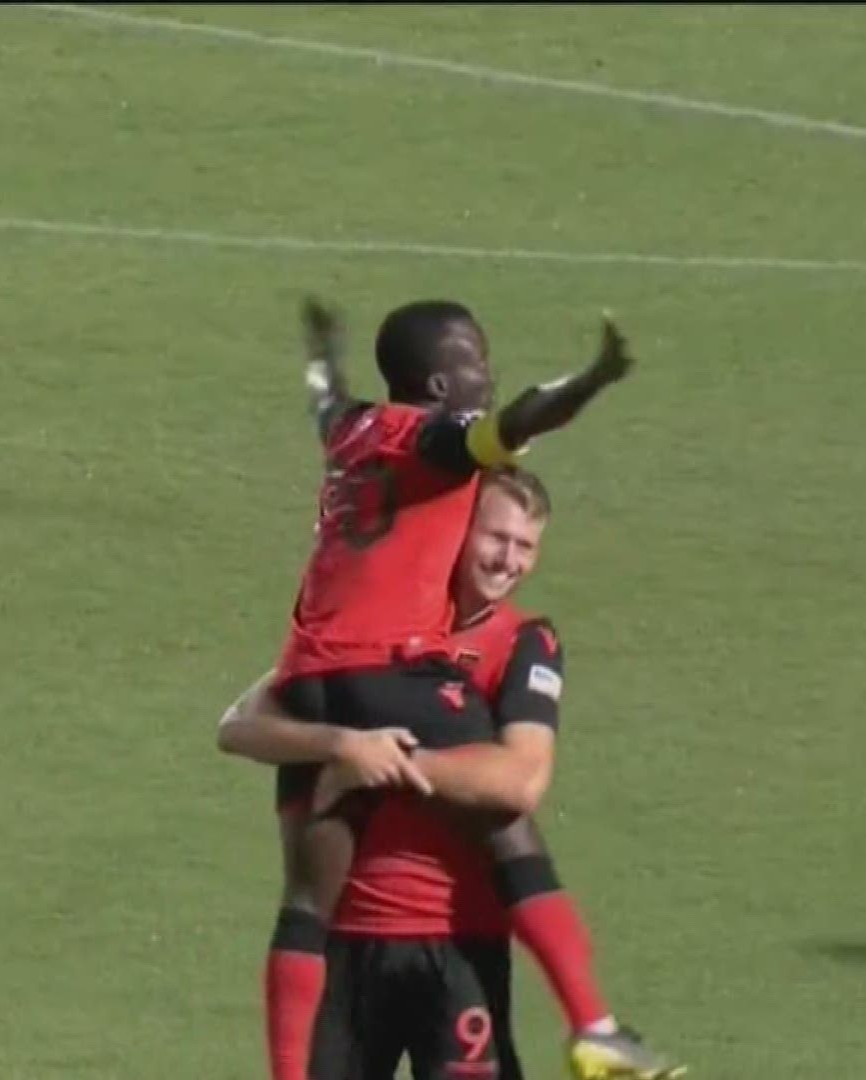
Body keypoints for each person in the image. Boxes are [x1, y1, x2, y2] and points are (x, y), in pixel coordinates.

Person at [256, 296, 635, 1080]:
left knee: (304, 899)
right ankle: (593, 1024)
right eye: (473, 360)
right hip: (384, 668)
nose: (485, 375)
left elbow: (324, 400)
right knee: (502, 814)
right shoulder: (442, 442)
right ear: (437, 382)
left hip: (304, 674)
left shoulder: (351, 432)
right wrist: (593, 378)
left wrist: (323, 356)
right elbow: (529, 417)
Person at [223, 468, 685, 1080]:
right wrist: (345, 747)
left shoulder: (522, 642)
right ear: (455, 531)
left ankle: (593, 1029)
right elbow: (241, 726)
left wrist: (396, 764)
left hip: (460, 946)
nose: (508, 560)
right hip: (346, 945)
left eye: (526, 546)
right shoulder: (368, 623)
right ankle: (595, 1027)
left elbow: (520, 779)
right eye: (496, 537)